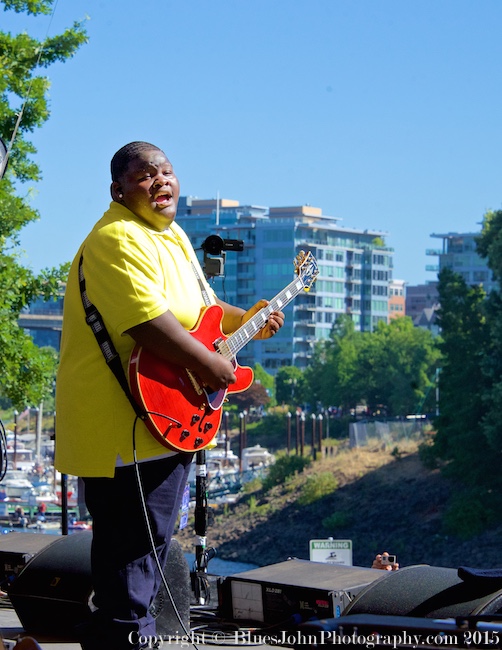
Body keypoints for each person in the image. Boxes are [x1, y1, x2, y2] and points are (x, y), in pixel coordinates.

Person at [54, 141, 284, 650]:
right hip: (124, 422)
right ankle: (126, 636)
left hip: (162, 415)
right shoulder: (116, 237)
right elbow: (148, 324)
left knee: (146, 539)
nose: (160, 181)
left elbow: (201, 312)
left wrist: (248, 320)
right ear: (117, 189)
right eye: (144, 175)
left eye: (167, 172)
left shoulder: (174, 236)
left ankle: (114, 631)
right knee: (134, 542)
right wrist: (216, 368)